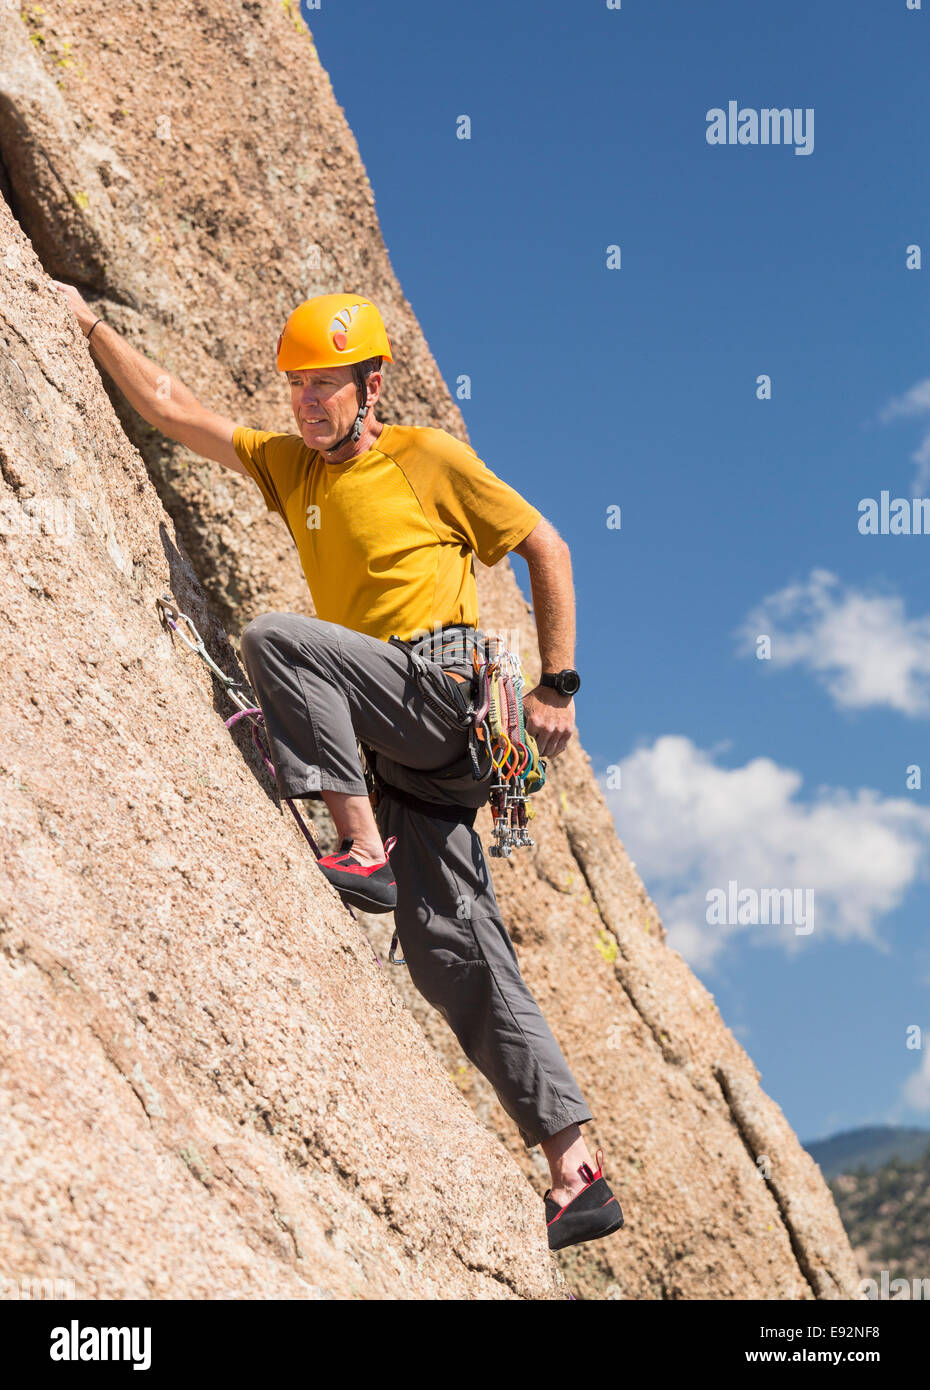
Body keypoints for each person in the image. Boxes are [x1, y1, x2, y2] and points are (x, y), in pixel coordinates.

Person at [55, 283, 624, 1253]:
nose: (309, 403)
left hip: (445, 690)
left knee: (281, 639)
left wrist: (559, 685)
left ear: (370, 388)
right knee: (454, 953)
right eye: (298, 387)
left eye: (328, 386)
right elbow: (172, 409)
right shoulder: (291, 473)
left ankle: (359, 848)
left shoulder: (424, 458)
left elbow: (547, 544)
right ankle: (575, 1164)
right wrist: (84, 322)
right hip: (409, 750)